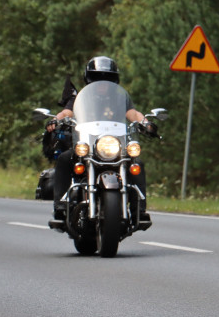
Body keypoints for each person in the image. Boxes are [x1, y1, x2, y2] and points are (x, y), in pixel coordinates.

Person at [51, 56, 155, 224]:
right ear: (89, 78)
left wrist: (145, 123)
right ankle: (60, 206)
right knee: (64, 159)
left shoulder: (119, 98)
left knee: (137, 164)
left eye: (107, 79)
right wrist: (56, 120)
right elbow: (67, 113)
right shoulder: (80, 98)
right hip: (88, 146)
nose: (102, 83)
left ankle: (139, 210)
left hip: (113, 146)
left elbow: (133, 114)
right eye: (97, 77)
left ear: (113, 80)